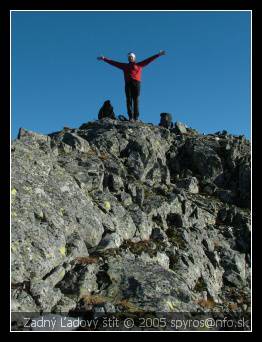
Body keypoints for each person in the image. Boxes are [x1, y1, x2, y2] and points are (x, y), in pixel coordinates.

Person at [97, 51, 166, 122]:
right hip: (128, 84)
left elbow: (149, 60)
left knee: (136, 100)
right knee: (128, 100)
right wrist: (104, 58)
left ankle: (136, 117)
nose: (130, 58)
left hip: (136, 83)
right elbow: (114, 63)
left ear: (134, 58)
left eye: (131, 57)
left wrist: (158, 54)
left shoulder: (139, 65)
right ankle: (131, 117)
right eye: (129, 57)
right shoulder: (124, 66)